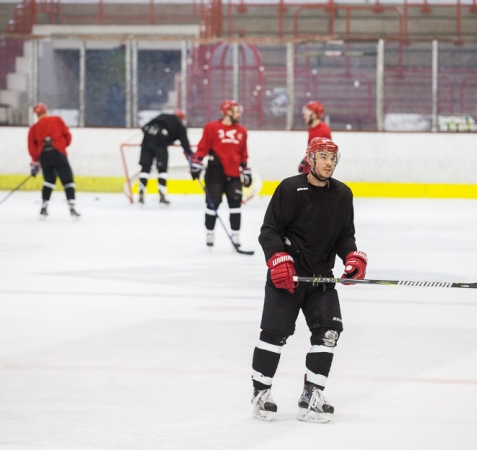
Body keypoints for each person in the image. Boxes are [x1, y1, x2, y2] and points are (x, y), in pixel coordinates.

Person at [251, 137, 368, 423]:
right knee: (274, 335)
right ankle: (260, 393)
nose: (329, 162)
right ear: (310, 159)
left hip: (320, 279)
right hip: (287, 278)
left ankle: (312, 393)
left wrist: (351, 257)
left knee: (329, 333)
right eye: (323, 156)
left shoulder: (342, 194)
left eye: (333, 157)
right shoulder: (290, 189)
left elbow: (344, 235)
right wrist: (277, 257)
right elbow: (269, 231)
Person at [190, 100, 252, 247]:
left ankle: (236, 236)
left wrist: (246, 170)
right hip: (214, 174)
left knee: (236, 205)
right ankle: (210, 233)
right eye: (236, 111)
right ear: (227, 112)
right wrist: (197, 162)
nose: (239, 114)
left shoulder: (242, 131)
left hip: (234, 175)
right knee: (212, 204)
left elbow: (243, 154)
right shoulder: (211, 128)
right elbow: (202, 147)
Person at [27, 102, 79, 219]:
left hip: (44, 155)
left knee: (49, 181)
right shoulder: (57, 120)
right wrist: (61, 146)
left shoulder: (34, 128)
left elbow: (31, 146)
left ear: (36, 114)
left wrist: (35, 163)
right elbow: (68, 136)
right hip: (58, 152)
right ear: (46, 111)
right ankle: (72, 209)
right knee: (67, 180)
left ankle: (43, 208)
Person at [138, 109, 193, 205]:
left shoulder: (161, 116)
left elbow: (144, 128)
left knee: (145, 168)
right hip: (161, 144)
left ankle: (141, 194)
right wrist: (190, 154)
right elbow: (184, 142)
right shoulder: (179, 125)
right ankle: (162, 195)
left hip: (146, 142)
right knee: (162, 169)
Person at [297, 101, 332, 174]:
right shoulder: (311, 128)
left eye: (307, 113)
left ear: (314, 115)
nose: (304, 116)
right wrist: (305, 159)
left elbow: (326, 155)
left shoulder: (323, 130)